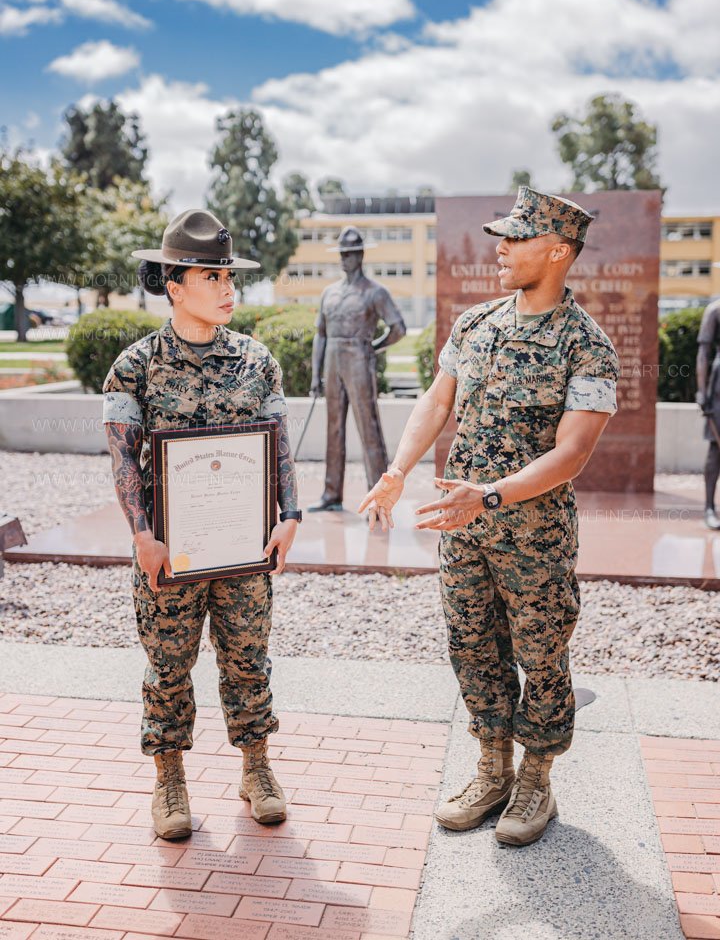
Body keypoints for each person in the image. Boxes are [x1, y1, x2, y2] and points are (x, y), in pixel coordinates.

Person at [359, 187, 619, 847]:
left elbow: (573, 453)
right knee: (473, 649)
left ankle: (536, 778)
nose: (499, 248)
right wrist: (395, 473)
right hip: (463, 532)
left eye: (516, 238)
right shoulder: (473, 325)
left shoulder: (587, 345)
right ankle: (492, 769)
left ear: (557, 251)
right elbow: (435, 402)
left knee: (541, 655)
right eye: (500, 236)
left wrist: (491, 495)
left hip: (535, 541)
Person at [102, 208, 302, 840]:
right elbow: (123, 459)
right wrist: (141, 535)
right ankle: (169, 778)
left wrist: (290, 514)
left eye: (229, 275)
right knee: (168, 665)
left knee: (249, 658)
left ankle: (256, 768)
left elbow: (278, 442)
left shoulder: (258, 360)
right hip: (171, 551)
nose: (226, 288)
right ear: (174, 286)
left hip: (243, 548)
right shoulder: (134, 366)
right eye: (211, 276)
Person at [308, 225, 406, 512]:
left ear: (360, 255)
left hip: (359, 358)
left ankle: (378, 496)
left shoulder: (375, 292)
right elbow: (321, 335)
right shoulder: (329, 293)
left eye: (349, 254)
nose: (344, 259)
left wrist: (373, 346)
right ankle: (331, 493)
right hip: (333, 361)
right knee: (334, 428)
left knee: (369, 428)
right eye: (341, 253)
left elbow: (398, 328)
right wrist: (316, 375)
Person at [695, 299, 720, 529]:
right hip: (719, 388)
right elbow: (703, 354)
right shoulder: (715, 310)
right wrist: (702, 391)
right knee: (716, 448)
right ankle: (709, 507)